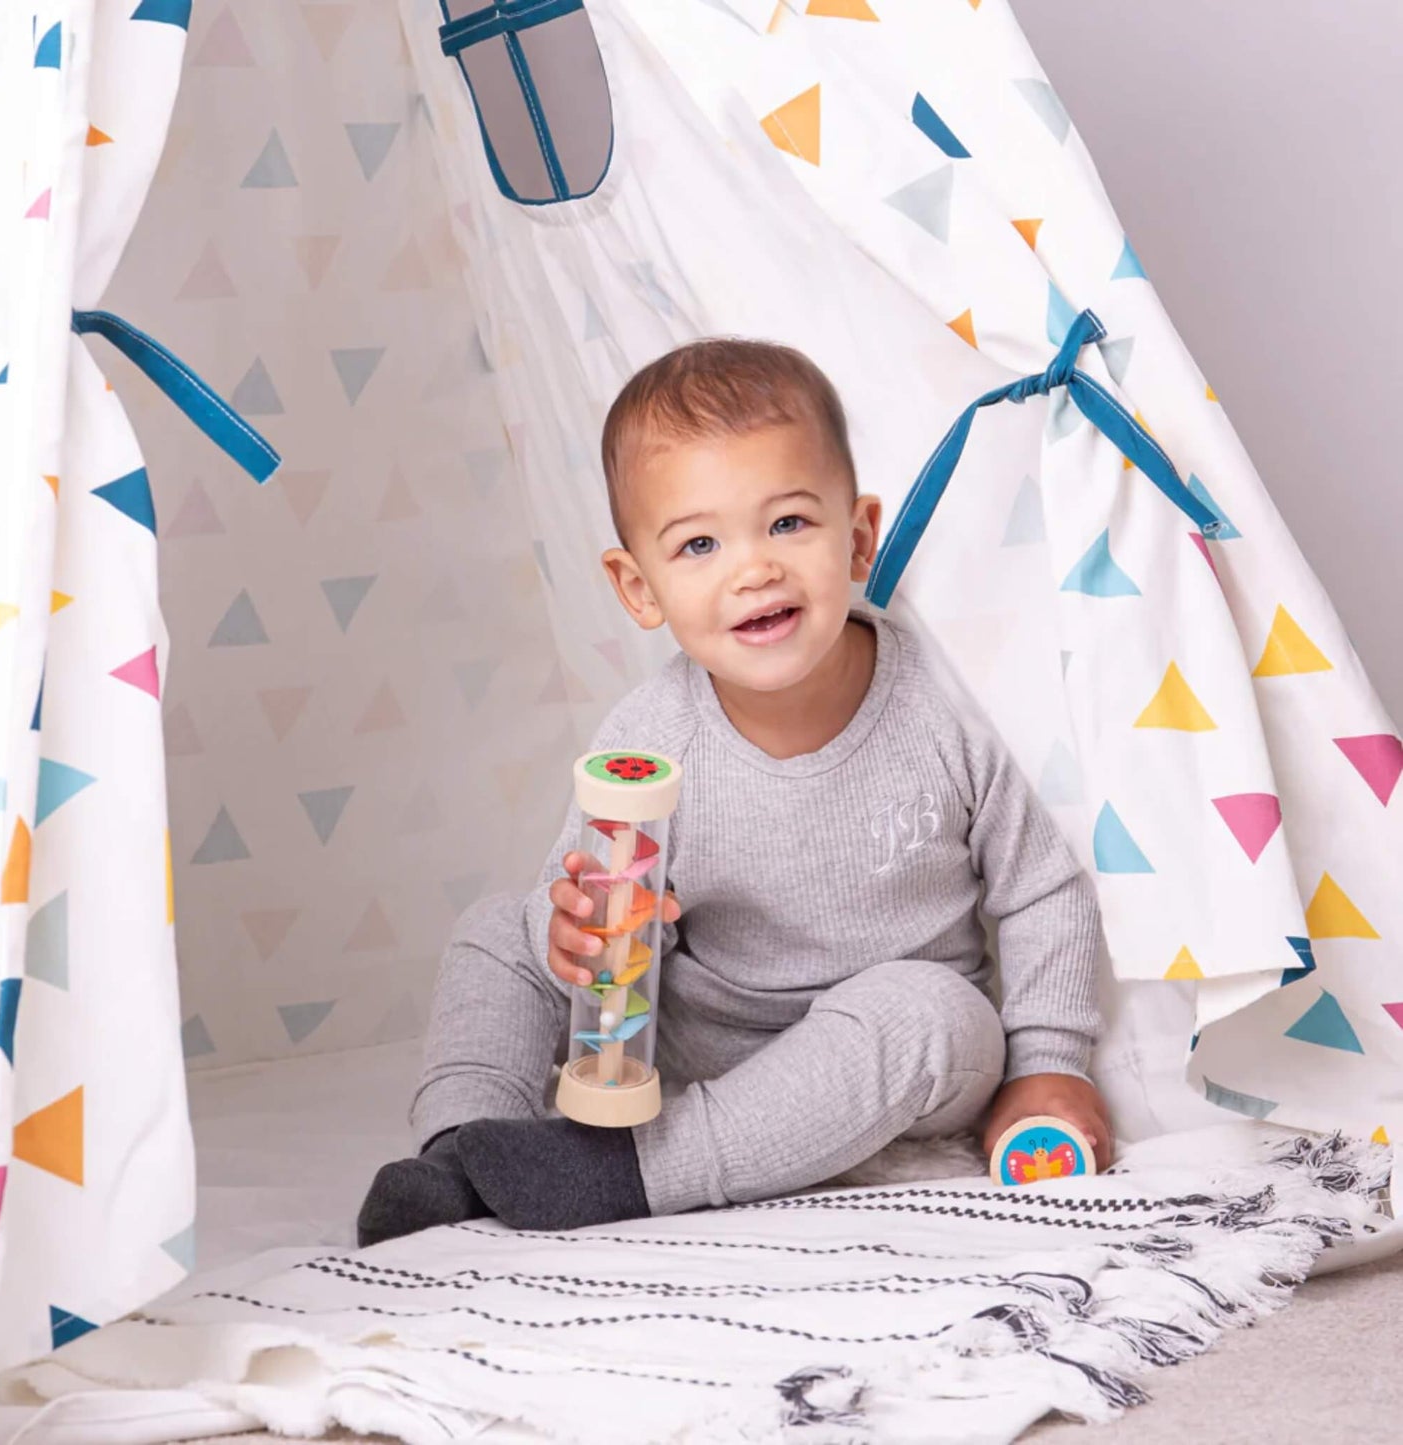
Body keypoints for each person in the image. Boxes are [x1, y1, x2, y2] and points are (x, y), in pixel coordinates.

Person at [357, 338, 1110, 1244]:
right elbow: (590, 928)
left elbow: (1040, 891)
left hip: (882, 1067)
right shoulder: (648, 738)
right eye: (700, 544)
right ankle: (462, 1155)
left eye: (788, 523)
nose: (753, 568)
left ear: (858, 536)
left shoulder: (939, 716)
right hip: (684, 1049)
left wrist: (1048, 1061)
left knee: (932, 1011)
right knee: (496, 930)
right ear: (640, 587)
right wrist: (578, 936)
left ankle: (634, 1174)